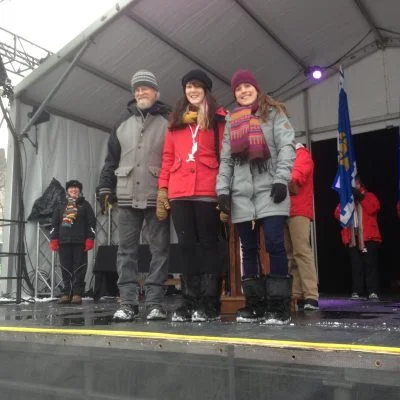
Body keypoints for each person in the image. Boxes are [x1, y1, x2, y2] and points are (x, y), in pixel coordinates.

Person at [216, 69, 296, 324]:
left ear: (256, 88)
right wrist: (222, 190)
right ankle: (255, 305)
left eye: (247, 86)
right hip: (242, 195)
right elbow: (227, 158)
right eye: (239, 89)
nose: (243, 91)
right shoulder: (231, 121)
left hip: (271, 190)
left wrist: (282, 178)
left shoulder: (273, 113)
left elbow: (286, 146)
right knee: (247, 250)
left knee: (274, 244)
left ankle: (278, 307)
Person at [97, 70, 170, 321]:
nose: (140, 92)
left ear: (156, 92)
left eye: (145, 88)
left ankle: (154, 303)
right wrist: (105, 188)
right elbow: (110, 159)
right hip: (126, 194)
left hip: (156, 195)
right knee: (126, 252)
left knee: (159, 250)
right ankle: (127, 302)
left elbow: (174, 160)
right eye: (137, 89)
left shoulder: (169, 122)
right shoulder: (120, 123)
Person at [157, 69, 226, 322]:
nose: (193, 90)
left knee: (208, 246)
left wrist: (225, 192)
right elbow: (167, 157)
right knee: (186, 247)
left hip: (208, 189)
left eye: (197, 86)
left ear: (206, 90)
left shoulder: (219, 120)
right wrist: (163, 188)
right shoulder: (175, 122)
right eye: (189, 86)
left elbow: (226, 157)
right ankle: (189, 301)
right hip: (180, 191)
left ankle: (209, 302)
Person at [334, 175, 381, 300]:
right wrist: (347, 201)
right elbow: (338, 214)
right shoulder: (347, 199)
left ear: (361, 185)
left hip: (368, 237)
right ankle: (357, 291)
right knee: (356, 266)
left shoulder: (369, 196)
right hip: (352, 238)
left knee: (370, 265)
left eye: (357, 184)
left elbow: (374, 208)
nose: (354, 187)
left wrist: (361, 197)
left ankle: (372, 291)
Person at [285, 143, 319, 311]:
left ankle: (311, 295)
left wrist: (281, 180)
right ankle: (296, 294)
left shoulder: (301, 153)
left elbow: (297, 174)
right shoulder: (286, 153)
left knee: (301, 252)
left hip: (299, 210)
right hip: (284, 209)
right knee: (290, 254)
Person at [50, 180, 96, 305]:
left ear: (79, 191)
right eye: (71, 189)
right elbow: (54, 223)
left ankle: (77, 294)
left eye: (76, 189)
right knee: (65, 267)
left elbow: (92, 223)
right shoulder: (60, 205)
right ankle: (66, 293)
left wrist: (90, 238)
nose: (74, 190)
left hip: (80, 241)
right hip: (63, 241)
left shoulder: (85, 205)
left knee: (79, 267)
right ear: (67, 191)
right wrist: (54, 239)